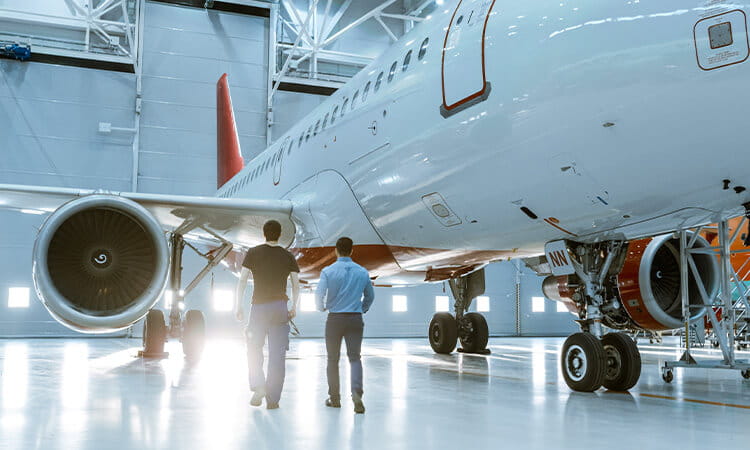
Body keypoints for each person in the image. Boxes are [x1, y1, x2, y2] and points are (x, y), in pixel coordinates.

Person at [234, 220, 300, 410]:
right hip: (279, 307)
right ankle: (273, 400)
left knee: (253, 348)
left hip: (259, 308)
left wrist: (238, 305)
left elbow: (243, 280)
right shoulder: (288, 256)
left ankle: (258, 385)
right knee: (277, 355)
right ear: (279, 235)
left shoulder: (253, 253)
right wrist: (294, 306)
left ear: (264, 234)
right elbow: (296, 285)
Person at [315, 237, 374, 414]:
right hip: (355, 319)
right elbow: (370, 296)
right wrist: (361, 309)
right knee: (355, 358)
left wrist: (321, 307)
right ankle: (356, 393)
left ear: (336, 250)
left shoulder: (328, 271)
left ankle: (334, 398)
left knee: (333, 359)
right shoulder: (362, 272)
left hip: (335, 319)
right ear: (352, 250)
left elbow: (319, 294)